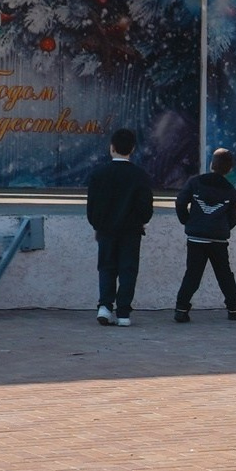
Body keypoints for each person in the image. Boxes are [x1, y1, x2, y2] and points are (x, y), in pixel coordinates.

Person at [84, 128, 155, 326]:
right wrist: (140, 221)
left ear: (111, 148)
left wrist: (97, 224)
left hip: (106, 230)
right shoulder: (140, 175)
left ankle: (105, 307)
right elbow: (146, 207)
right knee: (128, 270)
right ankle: (124, 313)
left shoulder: (99, 174)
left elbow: (92, 207)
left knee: (106, 267)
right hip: (131, 231)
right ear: (132, 148)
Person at [172, 147, 236, 322]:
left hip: (196, 237)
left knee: (193, 275)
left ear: (211, 164)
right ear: (230, 169)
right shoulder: (230, 190)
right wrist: (222, 228)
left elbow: (180, 203)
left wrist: (188, 221)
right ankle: (233, 309)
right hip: (218, 239)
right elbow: (234, 218)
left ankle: (181, 309)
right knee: (224, 274)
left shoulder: (195, 182)